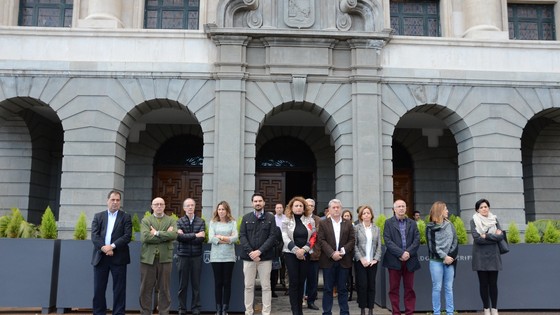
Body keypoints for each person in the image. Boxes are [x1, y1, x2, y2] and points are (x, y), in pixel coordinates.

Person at [91, 190, 132, 315]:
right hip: (101, 257)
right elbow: (94, 235)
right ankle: (99, 312)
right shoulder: (98, 216)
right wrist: (104, 248)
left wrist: (112, 247)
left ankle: (118, 313)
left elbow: (127, 236)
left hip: (118, 257)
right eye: (112, 200)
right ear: (107, 201)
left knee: (119, 289)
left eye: (118, 200)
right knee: (99, 289)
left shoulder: (125, 217)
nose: (115, 202)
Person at [239, 193, 278, 315]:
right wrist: (251, 252)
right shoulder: (246, 218)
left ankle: (266, 312)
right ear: (252, 203)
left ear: (264, 203)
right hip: (249, 258)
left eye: (260, 201)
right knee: (248, 286)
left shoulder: (270, 218)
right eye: (255, 201)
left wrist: (259, 251)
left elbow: (272, 237)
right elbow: (242, 236)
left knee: (266, 287)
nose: (258, 203)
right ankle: (248, 311)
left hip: (265, 258)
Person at [139, 197, 177, 315]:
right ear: (152, 206)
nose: (159, 206)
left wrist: (156, 233)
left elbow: (174, 236)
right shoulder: (146, 220)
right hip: (148, 259)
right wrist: (165, 235)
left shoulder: (171, 220)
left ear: (165, 206)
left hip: (165, 259)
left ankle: (164, 312)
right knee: (146, 288)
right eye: (156, 204)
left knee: (164, 289)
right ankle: (145, 312)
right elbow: (145, 237)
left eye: (161, 204)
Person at [317, 199, 355, 315]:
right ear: (329, 209)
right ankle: (327, 312)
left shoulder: (348, 223)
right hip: (328, 260)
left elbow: (352, 239)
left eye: (338, 207)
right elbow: (321, 240)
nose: (336, 209)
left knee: (343, 289)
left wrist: (342, 251)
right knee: (328, 289)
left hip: (344, 260)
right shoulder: (323, 223)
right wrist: (332, 253)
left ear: (341, 209)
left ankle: (344, 312)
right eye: (334, 207)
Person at [383, 199, 420, 315]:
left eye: (403, 206)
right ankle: (396, 312)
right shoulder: (388, 223)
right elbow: (388, 241)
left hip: (410, 260)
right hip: (394, 260)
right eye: (398, 206)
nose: (401, 208)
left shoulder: (412, 223)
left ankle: (410, 312)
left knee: (409, 289)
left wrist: (408, 253)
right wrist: (401, 253)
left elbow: (416, 240)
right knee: (394, 289)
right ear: (394, 209)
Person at [281, 196, 317, 315]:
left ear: (304, 208)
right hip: (290, 254)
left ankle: (300, 310)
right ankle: (295, 310)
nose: (298, 208)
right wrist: (296, 250)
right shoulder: (286, 220)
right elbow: (284, 236)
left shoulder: (309, 220)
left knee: (302, 281)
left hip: (305, 254)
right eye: (296, 205)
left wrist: (304, 249)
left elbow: (313, 236)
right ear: (291, 207)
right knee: (294, 282)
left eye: (300, 206)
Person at [471, 198, 504, 315]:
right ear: (477, 210)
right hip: (480, 256)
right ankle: (486, 309)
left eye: (485, 207)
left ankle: (494, 309)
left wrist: (486, 236)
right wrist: (492, 237)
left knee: (493, 284)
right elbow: (477, 239)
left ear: (488, 208)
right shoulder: (474, 220)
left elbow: (501, 236)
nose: (484, 209)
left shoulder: (494, 219)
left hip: (493, 256)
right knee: (483, 284)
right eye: (481, 207)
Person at [426, 201, 458, 315]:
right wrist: (444, 257)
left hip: (450, 261)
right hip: (436, 261)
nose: (448, 211)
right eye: (445, 209)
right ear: (439, 211)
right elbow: (432, 245)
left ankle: (450, 312)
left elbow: (455, 241)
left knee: (449, 288)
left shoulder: (450, 225)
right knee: (437, 288)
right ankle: (437, 312)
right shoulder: (430, 227)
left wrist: (450, 256)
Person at [176, 198, 205, 315]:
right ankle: (182, 309)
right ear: (184, 208)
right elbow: (179, 238)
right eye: (187, 205)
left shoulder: (201, 221)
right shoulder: (179, 221)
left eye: (192, 205)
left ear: (195, 207)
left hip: (196, 257)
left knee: (196, 285)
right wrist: (195, 235)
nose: (190, 207)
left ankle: (196, 308)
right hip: (183, 256)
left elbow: (201, 238)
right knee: (182, 285)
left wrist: (187, 237)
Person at [209, 201, 238, 315]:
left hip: (229, 257)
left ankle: (225, 309)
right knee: (218, 283)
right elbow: (211, 238)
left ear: (227, 211)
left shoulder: (232, 222)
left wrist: (220, 237)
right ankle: (218, 309)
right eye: (219, 209)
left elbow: (235, 238)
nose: (221, 211)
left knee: (227, 283)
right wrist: (227, 239)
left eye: (223, 209)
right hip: (216, 257)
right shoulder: (213, 222)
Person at [353, 205, 382, 315]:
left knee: (371, 285)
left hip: (372, 262)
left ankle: (370, 309)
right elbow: (354, 245)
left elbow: (379, 245)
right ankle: (362, 309)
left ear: (371, 215)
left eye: (368, 213)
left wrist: (376, 259)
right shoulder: (356, 228)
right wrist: (361, 258)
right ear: (361, 216)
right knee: (362, 285)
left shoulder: (376, 229)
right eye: (364, 213)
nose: (366, 215)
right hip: (361, 262)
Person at [304, 198, 321, 311]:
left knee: (313, 279)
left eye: (311, 205)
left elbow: (319, 235)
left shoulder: (318, 220)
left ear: (314, 208)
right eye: (307, 205)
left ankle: (311, 301)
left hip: (314, 253)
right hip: (301, 253)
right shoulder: (300, 218)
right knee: (299, 278)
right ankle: (299, 299)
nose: (309, 207)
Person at [271, 203, 286, 298]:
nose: (279, 209)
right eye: (277, 208)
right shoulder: (273, 219)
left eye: (281, 207)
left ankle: (284, 283)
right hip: (270, 252)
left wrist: (279, 248)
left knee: (283, 267)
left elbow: (281, 239)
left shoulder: (286, 218)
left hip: (281, 248)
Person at [342, 209, 355, 301]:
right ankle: (344, 292)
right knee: (344, 275)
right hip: (343, 253)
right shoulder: (340, 225)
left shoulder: (354, 226)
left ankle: (350, 293)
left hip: (351, 254)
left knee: (350, 275)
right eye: (345, 216)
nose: (347, 217)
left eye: (348, 216)